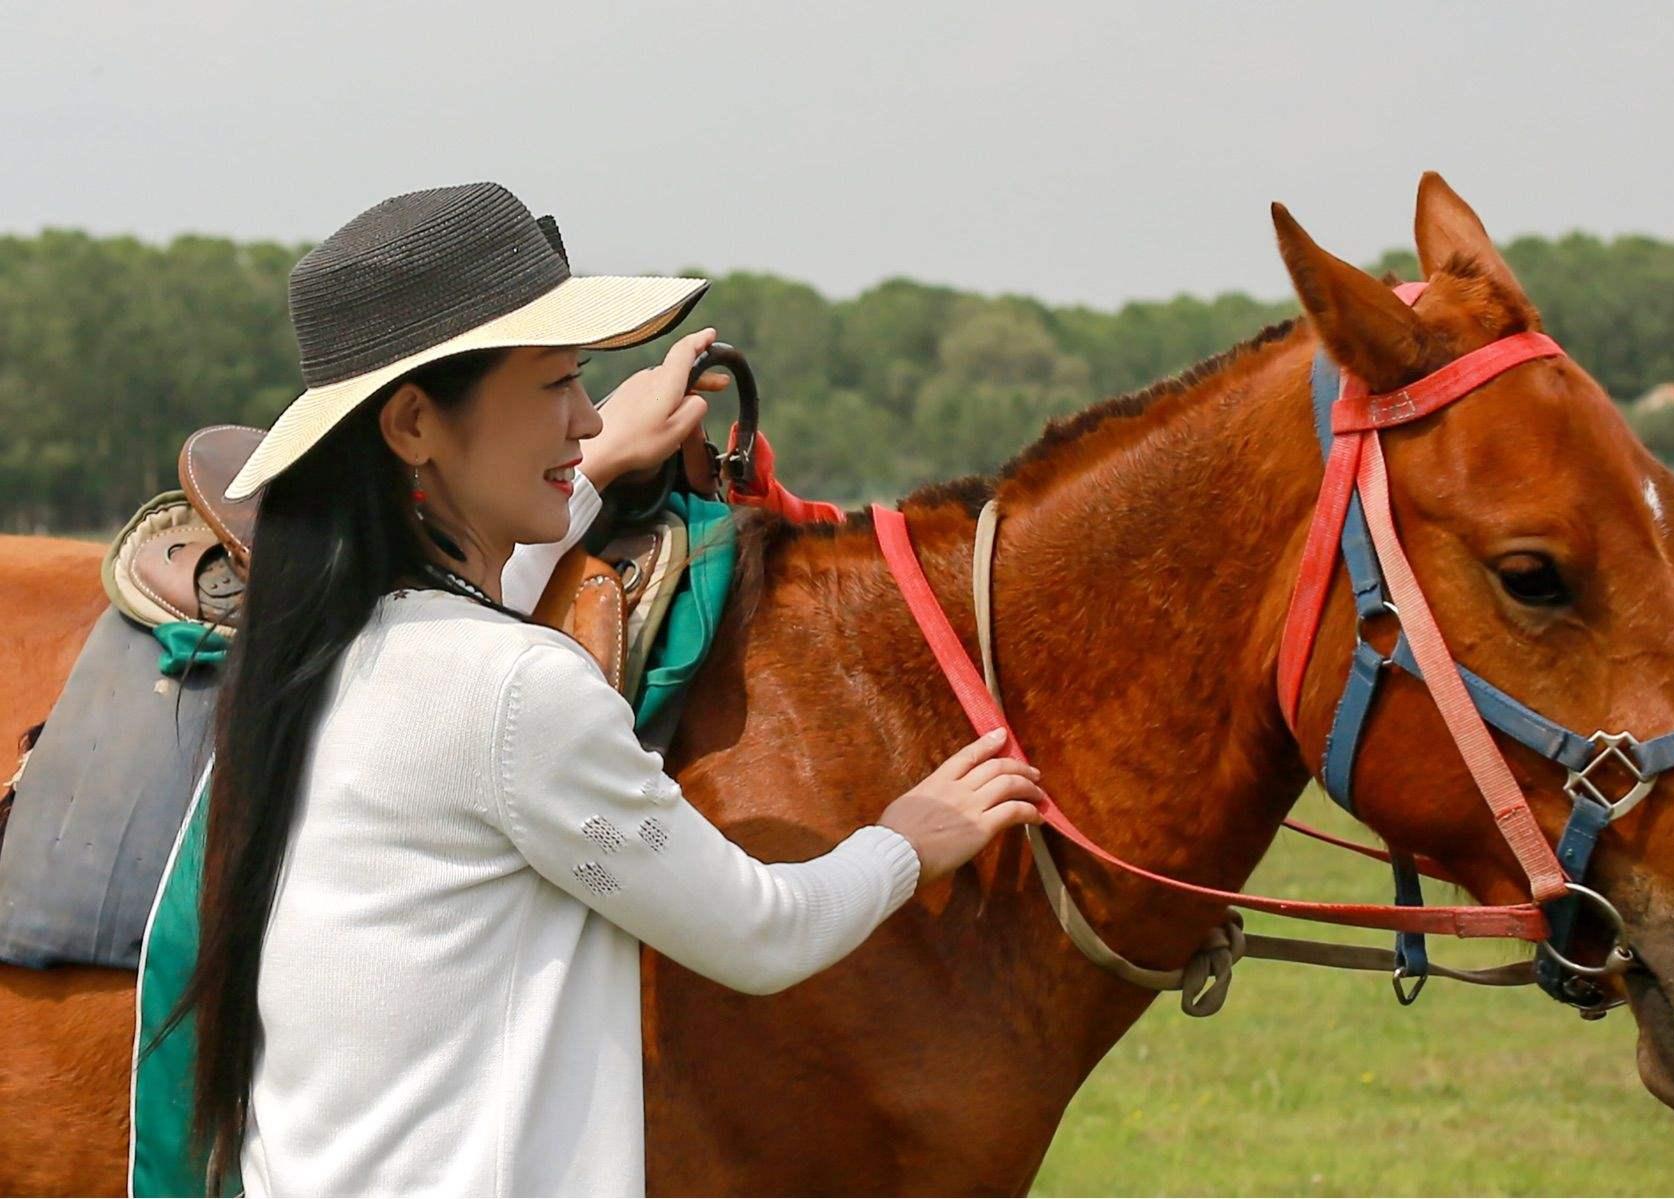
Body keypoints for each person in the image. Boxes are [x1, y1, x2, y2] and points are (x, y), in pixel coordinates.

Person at [174, 182, 1045, 1196]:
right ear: (414, 423)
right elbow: (763, 929)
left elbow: (471, 617)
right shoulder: (509, 690)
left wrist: (588, 470)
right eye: (555, 386)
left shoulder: (331, 645)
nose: (588, 416)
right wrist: (908, 836)